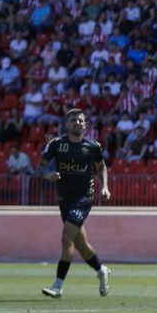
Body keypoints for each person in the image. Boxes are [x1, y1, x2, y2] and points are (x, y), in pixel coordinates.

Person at [38, 110, 111, 299]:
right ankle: (101, 269)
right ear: (67, 124)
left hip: (84, 198)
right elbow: (39, 168)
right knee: (80, 244)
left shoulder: (92, 147)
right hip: (64, 199)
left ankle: (58, 285)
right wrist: (49, 175)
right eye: (73, 120)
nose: (77, 123)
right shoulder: (56, 144)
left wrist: (105, 187)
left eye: (80, 120)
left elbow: (101, 166)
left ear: (85, 125)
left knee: (66, 238)